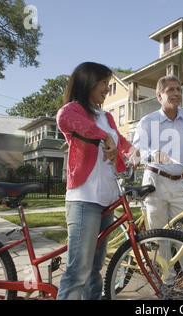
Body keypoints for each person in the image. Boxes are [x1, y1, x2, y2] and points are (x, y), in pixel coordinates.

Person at [56, 62, 138, 300]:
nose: (107, 87)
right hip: (84, 198)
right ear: (87, 81)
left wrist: (137, 154)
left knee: (95, 269)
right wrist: (104, 137)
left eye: (108, 83)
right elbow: (65, 119)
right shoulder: (75, 110)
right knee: (77, 272)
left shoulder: (107, 116)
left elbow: (121, 142)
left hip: (107, 200)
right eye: (103, 82)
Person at [133, 75, 183, 296]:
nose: (177, 93)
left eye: (179, 89)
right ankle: (165, 283)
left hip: (179, 184)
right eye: (171, 90)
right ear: (160, 96)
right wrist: (153, 154)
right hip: (154, 182)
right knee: (159, 237)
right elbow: (138, 151)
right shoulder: (147, 121)